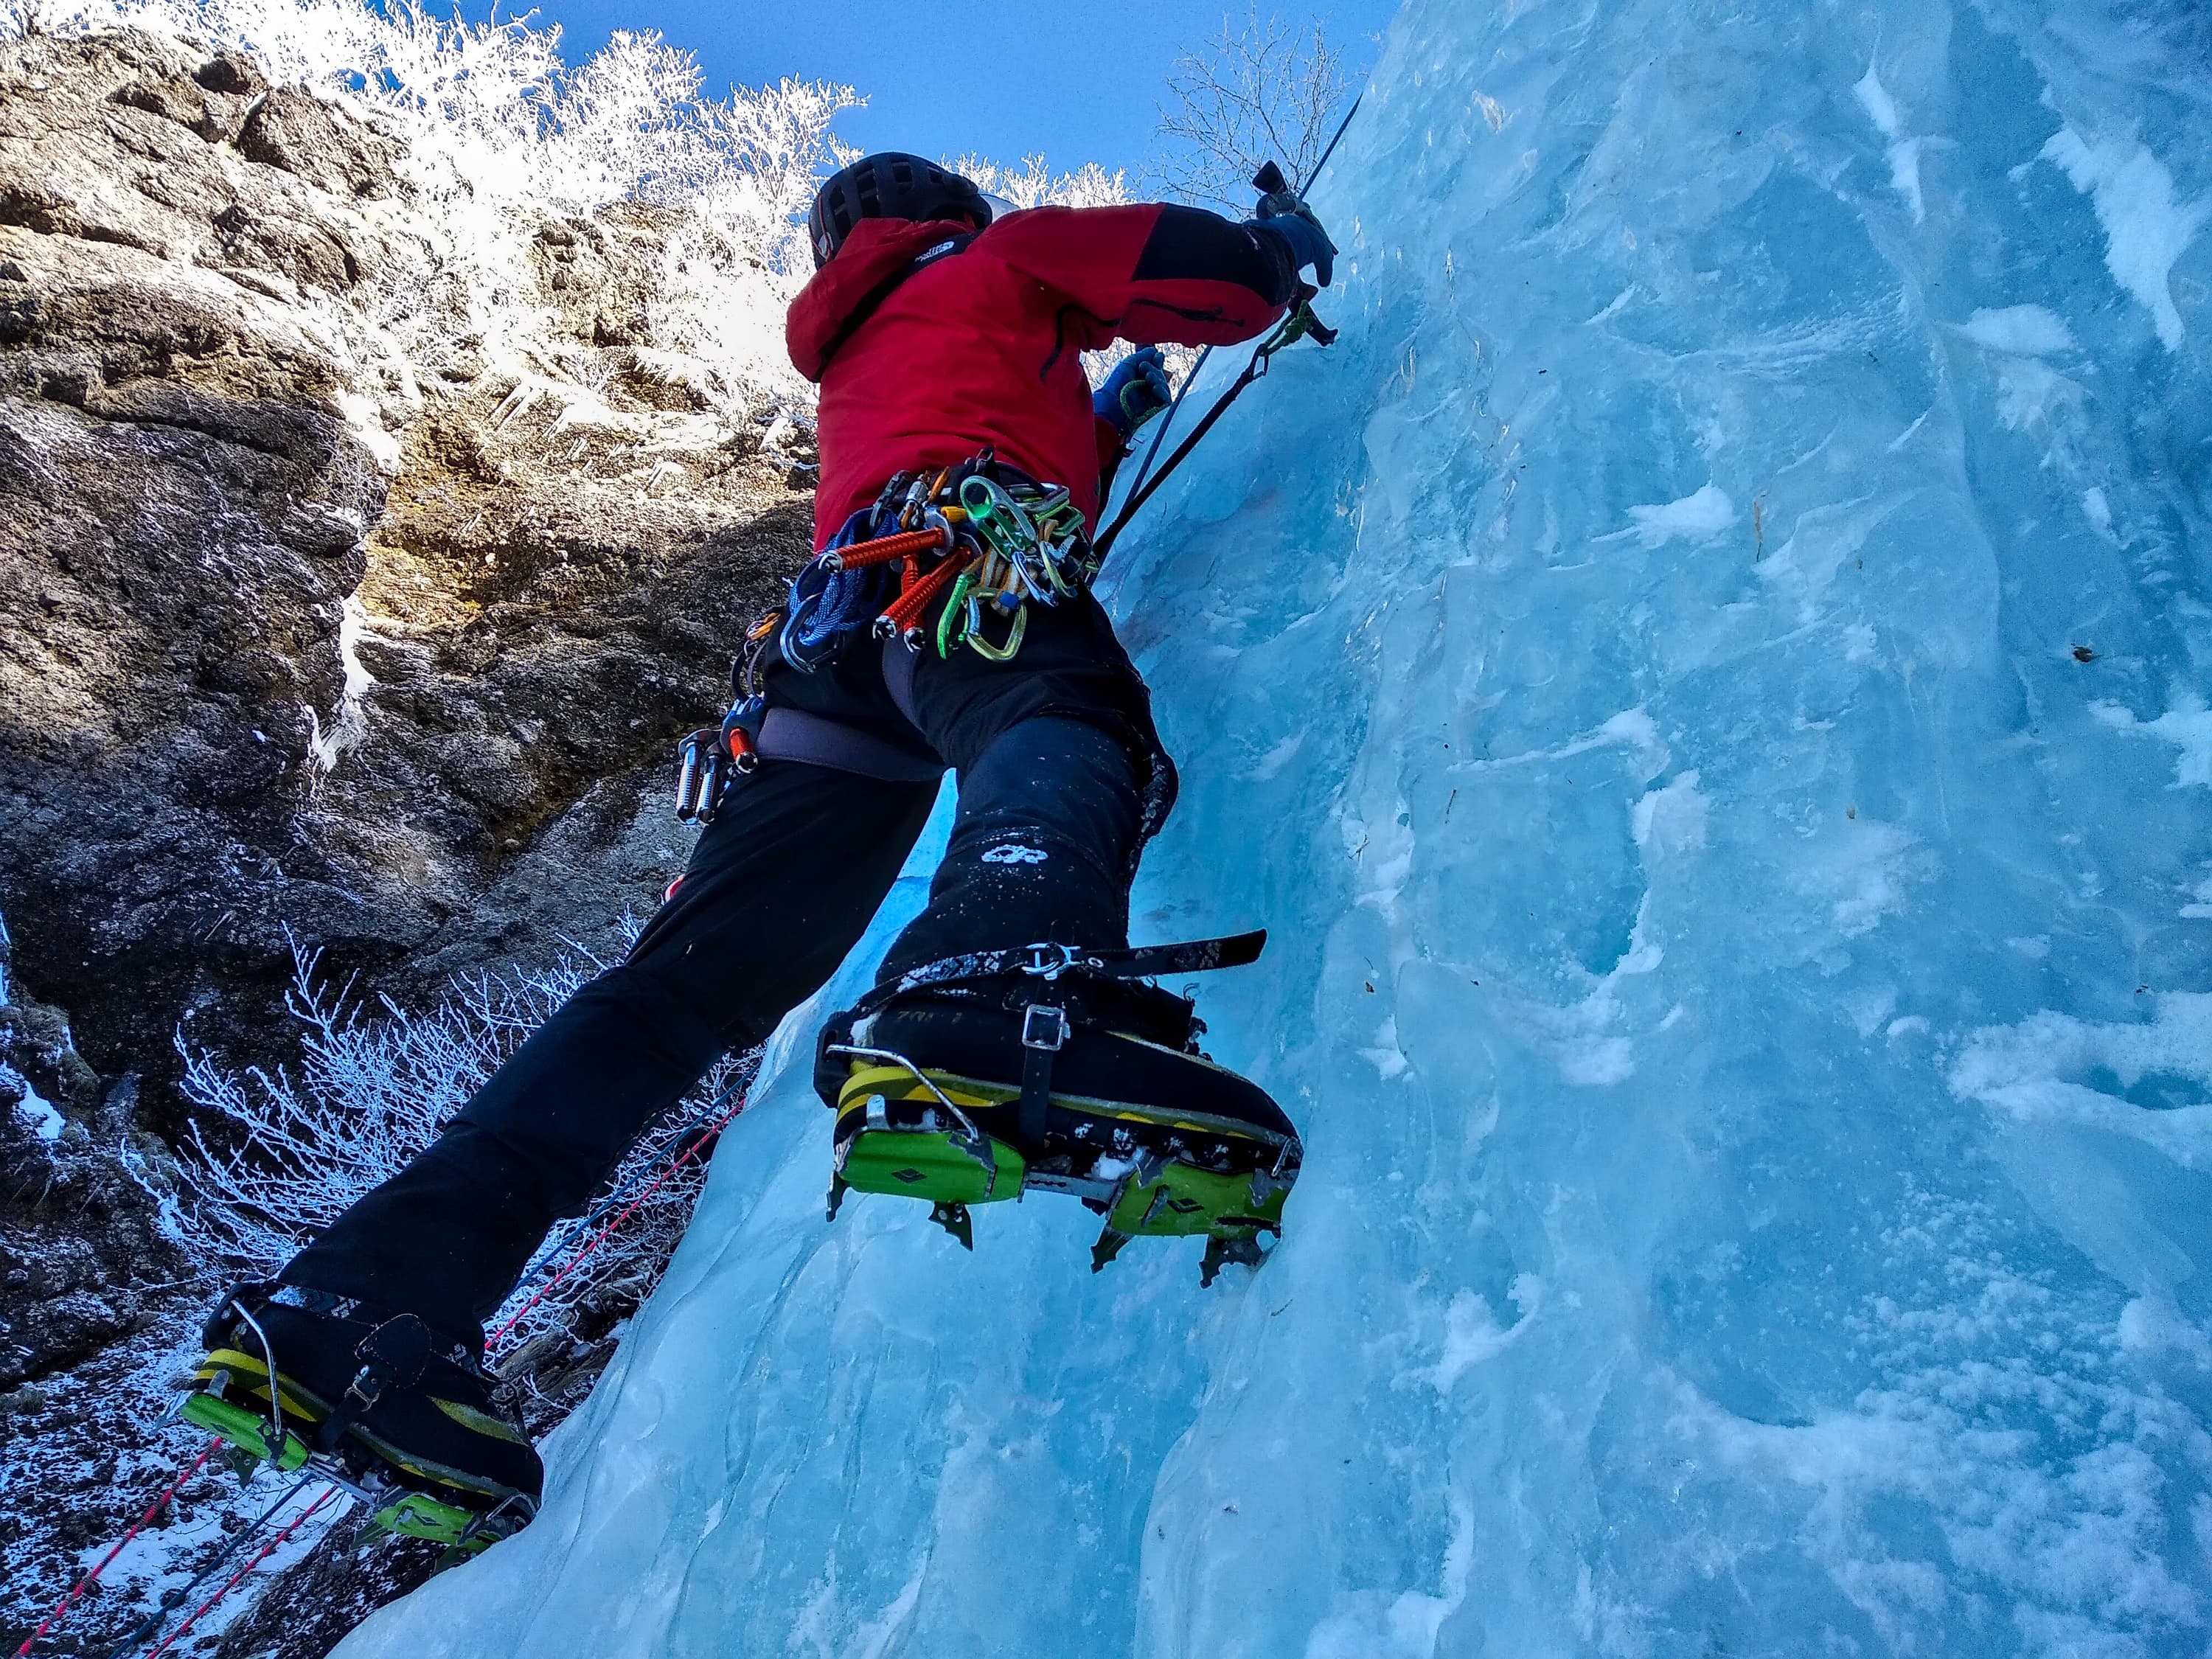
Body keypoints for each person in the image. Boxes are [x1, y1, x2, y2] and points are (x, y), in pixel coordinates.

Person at [183, 153, 1337, 1540]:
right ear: (952, 215)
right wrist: (1275, 249)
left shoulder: (857, 354)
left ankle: (358, 1310)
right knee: (1067, 707)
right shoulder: (1007, 256)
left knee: (680, 994)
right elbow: (1205, 277)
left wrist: (1106, 412)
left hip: (821, 672)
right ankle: (995, 988)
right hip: (951, 574)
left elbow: (1009, 431)